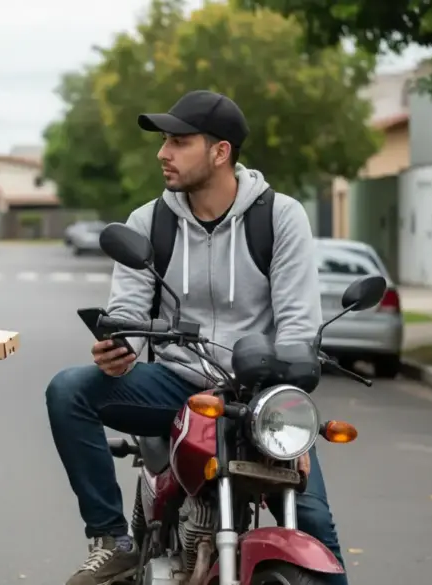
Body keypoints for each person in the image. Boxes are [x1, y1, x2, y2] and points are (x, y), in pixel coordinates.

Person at [45, 90, 347, 585]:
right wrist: (120, 346)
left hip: (255, 398)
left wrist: (292, 374)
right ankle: (112, 539)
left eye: (179, 142)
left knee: (315, 526)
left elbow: (297, 325)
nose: (163, 153)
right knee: (68, 390)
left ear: (220, 151)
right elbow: (127, 310)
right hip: (172, 385)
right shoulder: (150, 222)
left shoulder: (280, 216)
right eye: (165, 141)